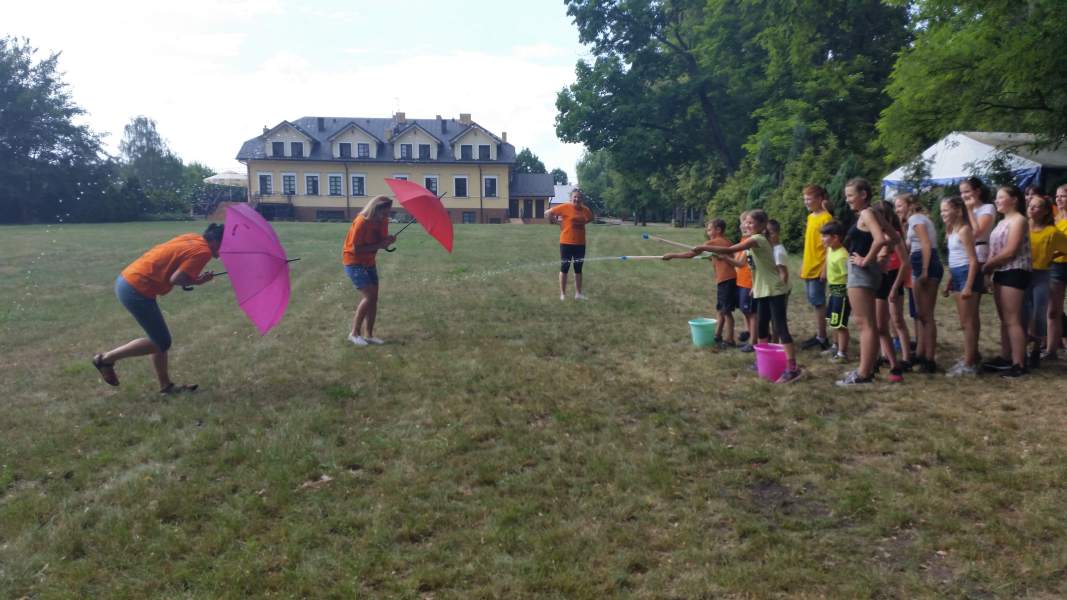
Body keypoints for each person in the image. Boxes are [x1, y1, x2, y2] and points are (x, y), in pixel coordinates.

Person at [92, 224, 223, 393]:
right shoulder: (203, 252)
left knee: (158, 339)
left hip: (127, 280)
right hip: (136, 289)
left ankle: (166, 386)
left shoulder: (192, 238)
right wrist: (197, 281)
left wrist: (193, 279)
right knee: (161, 342)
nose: (224, 252)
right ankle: (105, 359)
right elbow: (176, 279)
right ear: (216, 242)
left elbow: (175, 266)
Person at [698, 209, 804, 383]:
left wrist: (703, 247)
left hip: (775, 290)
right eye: (745, 222)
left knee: (781, 328)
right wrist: (722, 257)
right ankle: (762, 361)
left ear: (761, 225)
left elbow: (731, 248)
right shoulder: (751, 242)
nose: (746, 225)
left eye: (750, 222)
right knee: (762, 328)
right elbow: (740, 264)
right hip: (761, 291)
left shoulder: (758, 239)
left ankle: (793, 369)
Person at [837, 178, 898, 387]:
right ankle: (866, 369)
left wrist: (867, 260)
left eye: (850, 195)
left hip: (861, 273)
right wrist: (882, 258)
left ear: (863, 194)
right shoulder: (873, 212)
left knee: (865, 324)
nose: (847, 200)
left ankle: (863, 374)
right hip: (868, 273)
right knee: (867, 323)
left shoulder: (866, 213)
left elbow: (880, 239)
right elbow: (894, 238)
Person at [982, 185, 1032, 378]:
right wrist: (989, 270)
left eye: (1001, 197)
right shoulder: (1002, 221)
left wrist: (988, 265)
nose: (997, 201)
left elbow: (1011, 251)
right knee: (1004, 318)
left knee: (1013, 319)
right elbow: (995, 249)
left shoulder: (1019, 220)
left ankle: (1019, 363)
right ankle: (1006, 356)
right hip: (1000, 271)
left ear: (1014, 200)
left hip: (1015, 270)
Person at [663, 219, 737, 348]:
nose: (707, 232)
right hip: (727, 279)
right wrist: (712, 257)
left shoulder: (714, 242)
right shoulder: (727, 241)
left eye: (709, 229)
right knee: (721, 310)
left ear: (718, 230)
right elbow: (725, 256)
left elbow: (690, 254)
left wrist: (672, 255)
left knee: (726, 311)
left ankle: (730, 340)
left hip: (726, 279)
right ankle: (718, 335)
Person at [343, 195, 397, 346]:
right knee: (369, 296)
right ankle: (354, 334)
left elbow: (381, 242)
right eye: (384, 212)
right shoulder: (361, 222)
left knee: (374, 298)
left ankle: (369, 335)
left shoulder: (383, 221)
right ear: (375, 209)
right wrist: (379, 245)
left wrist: (388, 241)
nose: (387, 216)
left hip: (369, 262)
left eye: (388, 212)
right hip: (353, 262)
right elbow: (355, 249)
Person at [897, 193, 942, 372]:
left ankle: (929, 359)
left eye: (900, 206)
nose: (897, 209)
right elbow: (907, 246)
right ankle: (921, 353)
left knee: (927, 315)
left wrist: (924, 269)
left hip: (925, 263)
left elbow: (925, 243)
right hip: (919, 262)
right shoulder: (913, 221)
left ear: (910, 205)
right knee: (922, 314)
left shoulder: (916, 219)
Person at [940, 195, 981, 376]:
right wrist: (950, 281)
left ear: (957, 211)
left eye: (946, 210)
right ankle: (972, 355)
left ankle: (969, 362)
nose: (942, 214)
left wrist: (968, 286)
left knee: (968, 322)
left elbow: (973, 260)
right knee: (965, 321)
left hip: (966, 274)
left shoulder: (964, 230)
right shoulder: (951, 230)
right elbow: (953, 259)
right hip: (957, 274)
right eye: (941, 211)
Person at [1025, 193, 1067, 366]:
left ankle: (1037, 348)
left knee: (1040, 311)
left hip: (1043, 273)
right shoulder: (1022, 226)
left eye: (1037, 206)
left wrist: (1052, 255)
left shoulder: (1051, 231)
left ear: (1045, 211)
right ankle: (1027, 349)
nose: (1031, 209)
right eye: (1030, 205)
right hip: (1025, 272)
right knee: (1026, 311)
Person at [960, 176, 995, 361]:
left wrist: (969, 210)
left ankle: (972, 353)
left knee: (972, 307)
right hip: (965, 253)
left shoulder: (987, 208)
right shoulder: (967, 210)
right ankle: (972, 350)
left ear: (977, 191)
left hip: (980, 253)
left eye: (967, 191)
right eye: (962, 192)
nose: (964, 196)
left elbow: (977, 232)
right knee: (968, 310)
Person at [872, 201, 907, 382]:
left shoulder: (891, 236)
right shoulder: (876, 234)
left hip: (887, 279)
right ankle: (878, 358)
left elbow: (903, 262)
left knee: (886, 324)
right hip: (876, 279)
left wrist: (895, 287)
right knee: (876, 325)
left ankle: (898, 363)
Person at [799, 185, 834, 351]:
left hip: (818, 267)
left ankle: (822, 337)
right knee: (814, 302)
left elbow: (829, 246)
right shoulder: (811, 217)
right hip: (809, 266)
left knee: (818, 302)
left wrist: (825, 268)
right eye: (805, 199)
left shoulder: (826, 218)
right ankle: (820, 334)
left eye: (809, 199)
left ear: (820, 199)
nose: (806, 202)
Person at [545, 188, 594, 300]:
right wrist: (558, 223)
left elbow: (591, 218)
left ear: (582, 199)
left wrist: (583, 222)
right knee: (564, 268)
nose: (577, 199)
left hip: (580, 244)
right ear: (571, 198)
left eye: (579, 197)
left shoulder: (585, 210)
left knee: (578, 269)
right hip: (566, 243)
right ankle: (563, 294)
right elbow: (547, 213)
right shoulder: (565, 207)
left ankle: (578, 294)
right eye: (575, 197)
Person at [821, 220, 851, 361]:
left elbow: (848, 276)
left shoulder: (842, 256)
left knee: (840, 325)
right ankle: (835, 346)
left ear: (835, 238)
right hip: (833, 292)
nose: (822, 239)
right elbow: (827, 262)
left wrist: (849, 296)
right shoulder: (830, 250)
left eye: (825, 236)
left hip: (842, 294)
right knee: (834, 321)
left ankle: (842, 354)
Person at [732, 212, 757, 351]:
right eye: (741, 222)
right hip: (741, 281)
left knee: (751, 313)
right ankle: (750, 334)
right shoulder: (744, 240)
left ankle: (753, 342)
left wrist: (724, 256)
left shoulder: (751, 241)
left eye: (745, 222)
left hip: (749, 282)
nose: (742, 225)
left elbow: (742, 263)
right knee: (745, 310)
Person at [1047, 183, 1067, 359]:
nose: (1059, 199)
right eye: (1057, 196)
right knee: (1054, 310)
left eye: (1063, 196)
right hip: (1055, 267)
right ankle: (1051, 350)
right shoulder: (1054, 217)